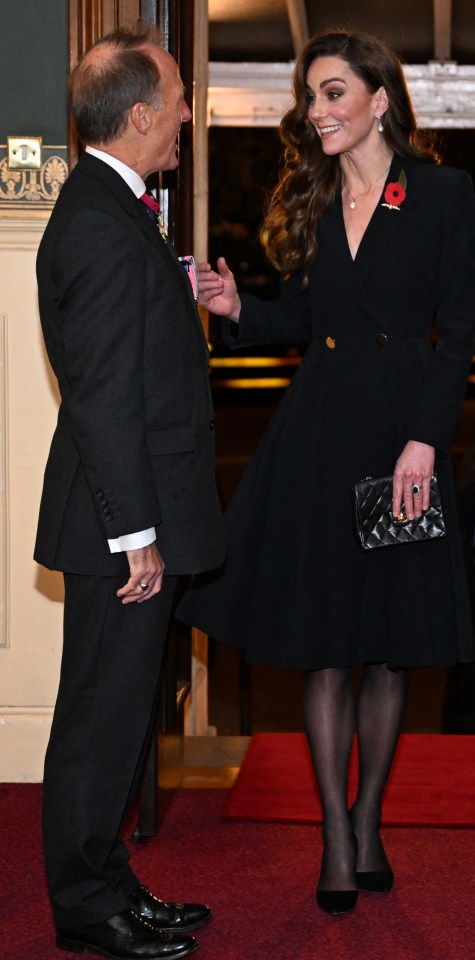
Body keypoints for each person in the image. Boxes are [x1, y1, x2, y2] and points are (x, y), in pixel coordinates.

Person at [177, 30, 475, 915]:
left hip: (400, 440)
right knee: (324, 647)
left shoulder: (442, 195)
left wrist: (425, 440)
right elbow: (312, 315)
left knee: (387, 651)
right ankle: (336, 840)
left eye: (334, 93)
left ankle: (370, 816)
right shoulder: (313, 199)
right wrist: (240, 310)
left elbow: (456, 330)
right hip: (319, 435)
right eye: (311, 97)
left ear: (379, 99)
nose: (318, 113)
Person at [34, 26, 224, 959]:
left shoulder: (112, 210)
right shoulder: (103, 226)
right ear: (141, 116)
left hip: (123, 513)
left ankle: (108, 880)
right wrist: (137, 535)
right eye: (180, 99)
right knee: (99, 718)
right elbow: (105, 400)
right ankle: (83, 905)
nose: (189, 113)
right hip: (119, 524)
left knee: (115, 712)